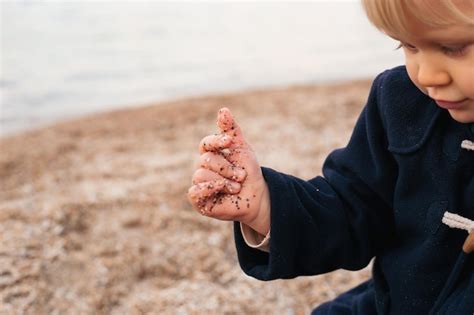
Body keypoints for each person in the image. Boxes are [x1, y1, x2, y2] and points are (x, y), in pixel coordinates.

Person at [187, 0, 474, 313]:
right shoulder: (400, 101)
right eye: (408, 45)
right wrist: (266, 207)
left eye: (452, 47)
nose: (428, 75)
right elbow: (355, 206)